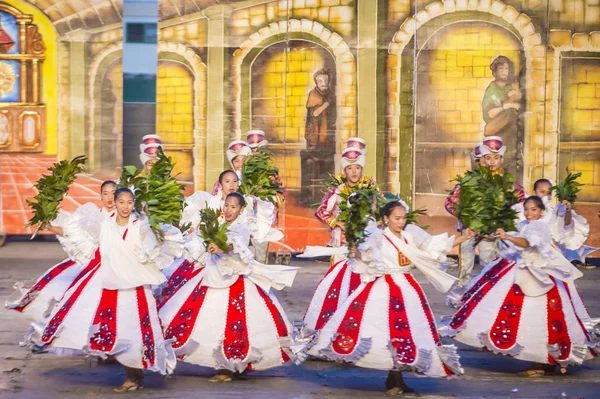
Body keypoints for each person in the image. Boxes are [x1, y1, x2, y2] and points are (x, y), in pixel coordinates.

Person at [304, 201, 467, 395]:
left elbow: (436, 248)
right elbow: (363, 257)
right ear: (386, 219)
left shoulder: (409, 236)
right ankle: (396, 379)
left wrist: (465, 237)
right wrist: (357, 248)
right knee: (387, 333)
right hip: (384, 289)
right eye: (397, 218)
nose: (401, 222)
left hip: (407, 288)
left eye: (404, 218)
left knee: (408, 332)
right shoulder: (378, 237)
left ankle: (395, 377)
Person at [29, 188, 181, 392]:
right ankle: (133, 377)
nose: (125, 206)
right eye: (121, 202)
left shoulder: (140, 225)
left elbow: (156, 246)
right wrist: (52, 226)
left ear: (133, 203)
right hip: (112, 284)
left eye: (129, 202)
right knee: (117, 330)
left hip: (135, 287)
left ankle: (135, 377)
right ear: (115, 204)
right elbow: (80, 236)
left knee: (135, 330)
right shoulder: (105, 224)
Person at [441, 196, 598, 377]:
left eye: (533, 210)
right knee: (524, 314)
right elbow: (520, 240)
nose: (529, 213)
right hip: (525, 267)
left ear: (541, 212)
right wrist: (502, 235)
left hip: (540, 275)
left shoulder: (540, 226)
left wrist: (507, 236)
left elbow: (527, 242)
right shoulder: (525, 224)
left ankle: (541, 361)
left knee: (537, 317)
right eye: (527, 209)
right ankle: (543, 361)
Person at [158, 192, 298, 382]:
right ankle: (224, 365)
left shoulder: (241, 228)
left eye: (234, 207)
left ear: (241, 210)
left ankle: (230, 366)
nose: (229, 210)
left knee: (233, 322)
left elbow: (234, 244)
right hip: (212, 276)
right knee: (204, 320)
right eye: (227, 206)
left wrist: (222, 247)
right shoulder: (215, 225)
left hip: (234, 280)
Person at [6, 180, 117, 323]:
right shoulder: (91, 214)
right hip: (91, 263)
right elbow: (71, 232)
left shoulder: (125, 217)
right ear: (100, 196)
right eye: (105, 193)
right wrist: (51, 228)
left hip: (115, 265)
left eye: (113, 193)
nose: (109, 198)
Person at [445, 136, 525, 284]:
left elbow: (520, 201)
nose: (492, 162)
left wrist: (502, 221)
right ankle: (462, 295)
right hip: (469, 230)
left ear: (501, 159)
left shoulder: (508, 183)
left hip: (492, 232)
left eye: (496, 157)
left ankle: (487, 296)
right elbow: (450, 202)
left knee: (489, 265)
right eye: (487, 158)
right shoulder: (469, 182)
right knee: (465, 266)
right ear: (480, 160)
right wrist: (468, 218)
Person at [516, 178, 597, 267]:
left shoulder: (553, 212)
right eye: (542, 192)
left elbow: (566, 228)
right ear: (534, 192)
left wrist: (567, 211)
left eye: (549, 193)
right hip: (527, 257)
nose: (546, 196)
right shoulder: (522, 211)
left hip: (550, 258)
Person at [482, 55, 521, 172]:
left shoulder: (513, 86)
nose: (504, 72)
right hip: (497, 131)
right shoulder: (492, 89)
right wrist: (507, 106)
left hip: (513, 133)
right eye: (501, 69)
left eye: (506, 69)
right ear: (495, 71)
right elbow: (489, 114)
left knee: (512, 163)